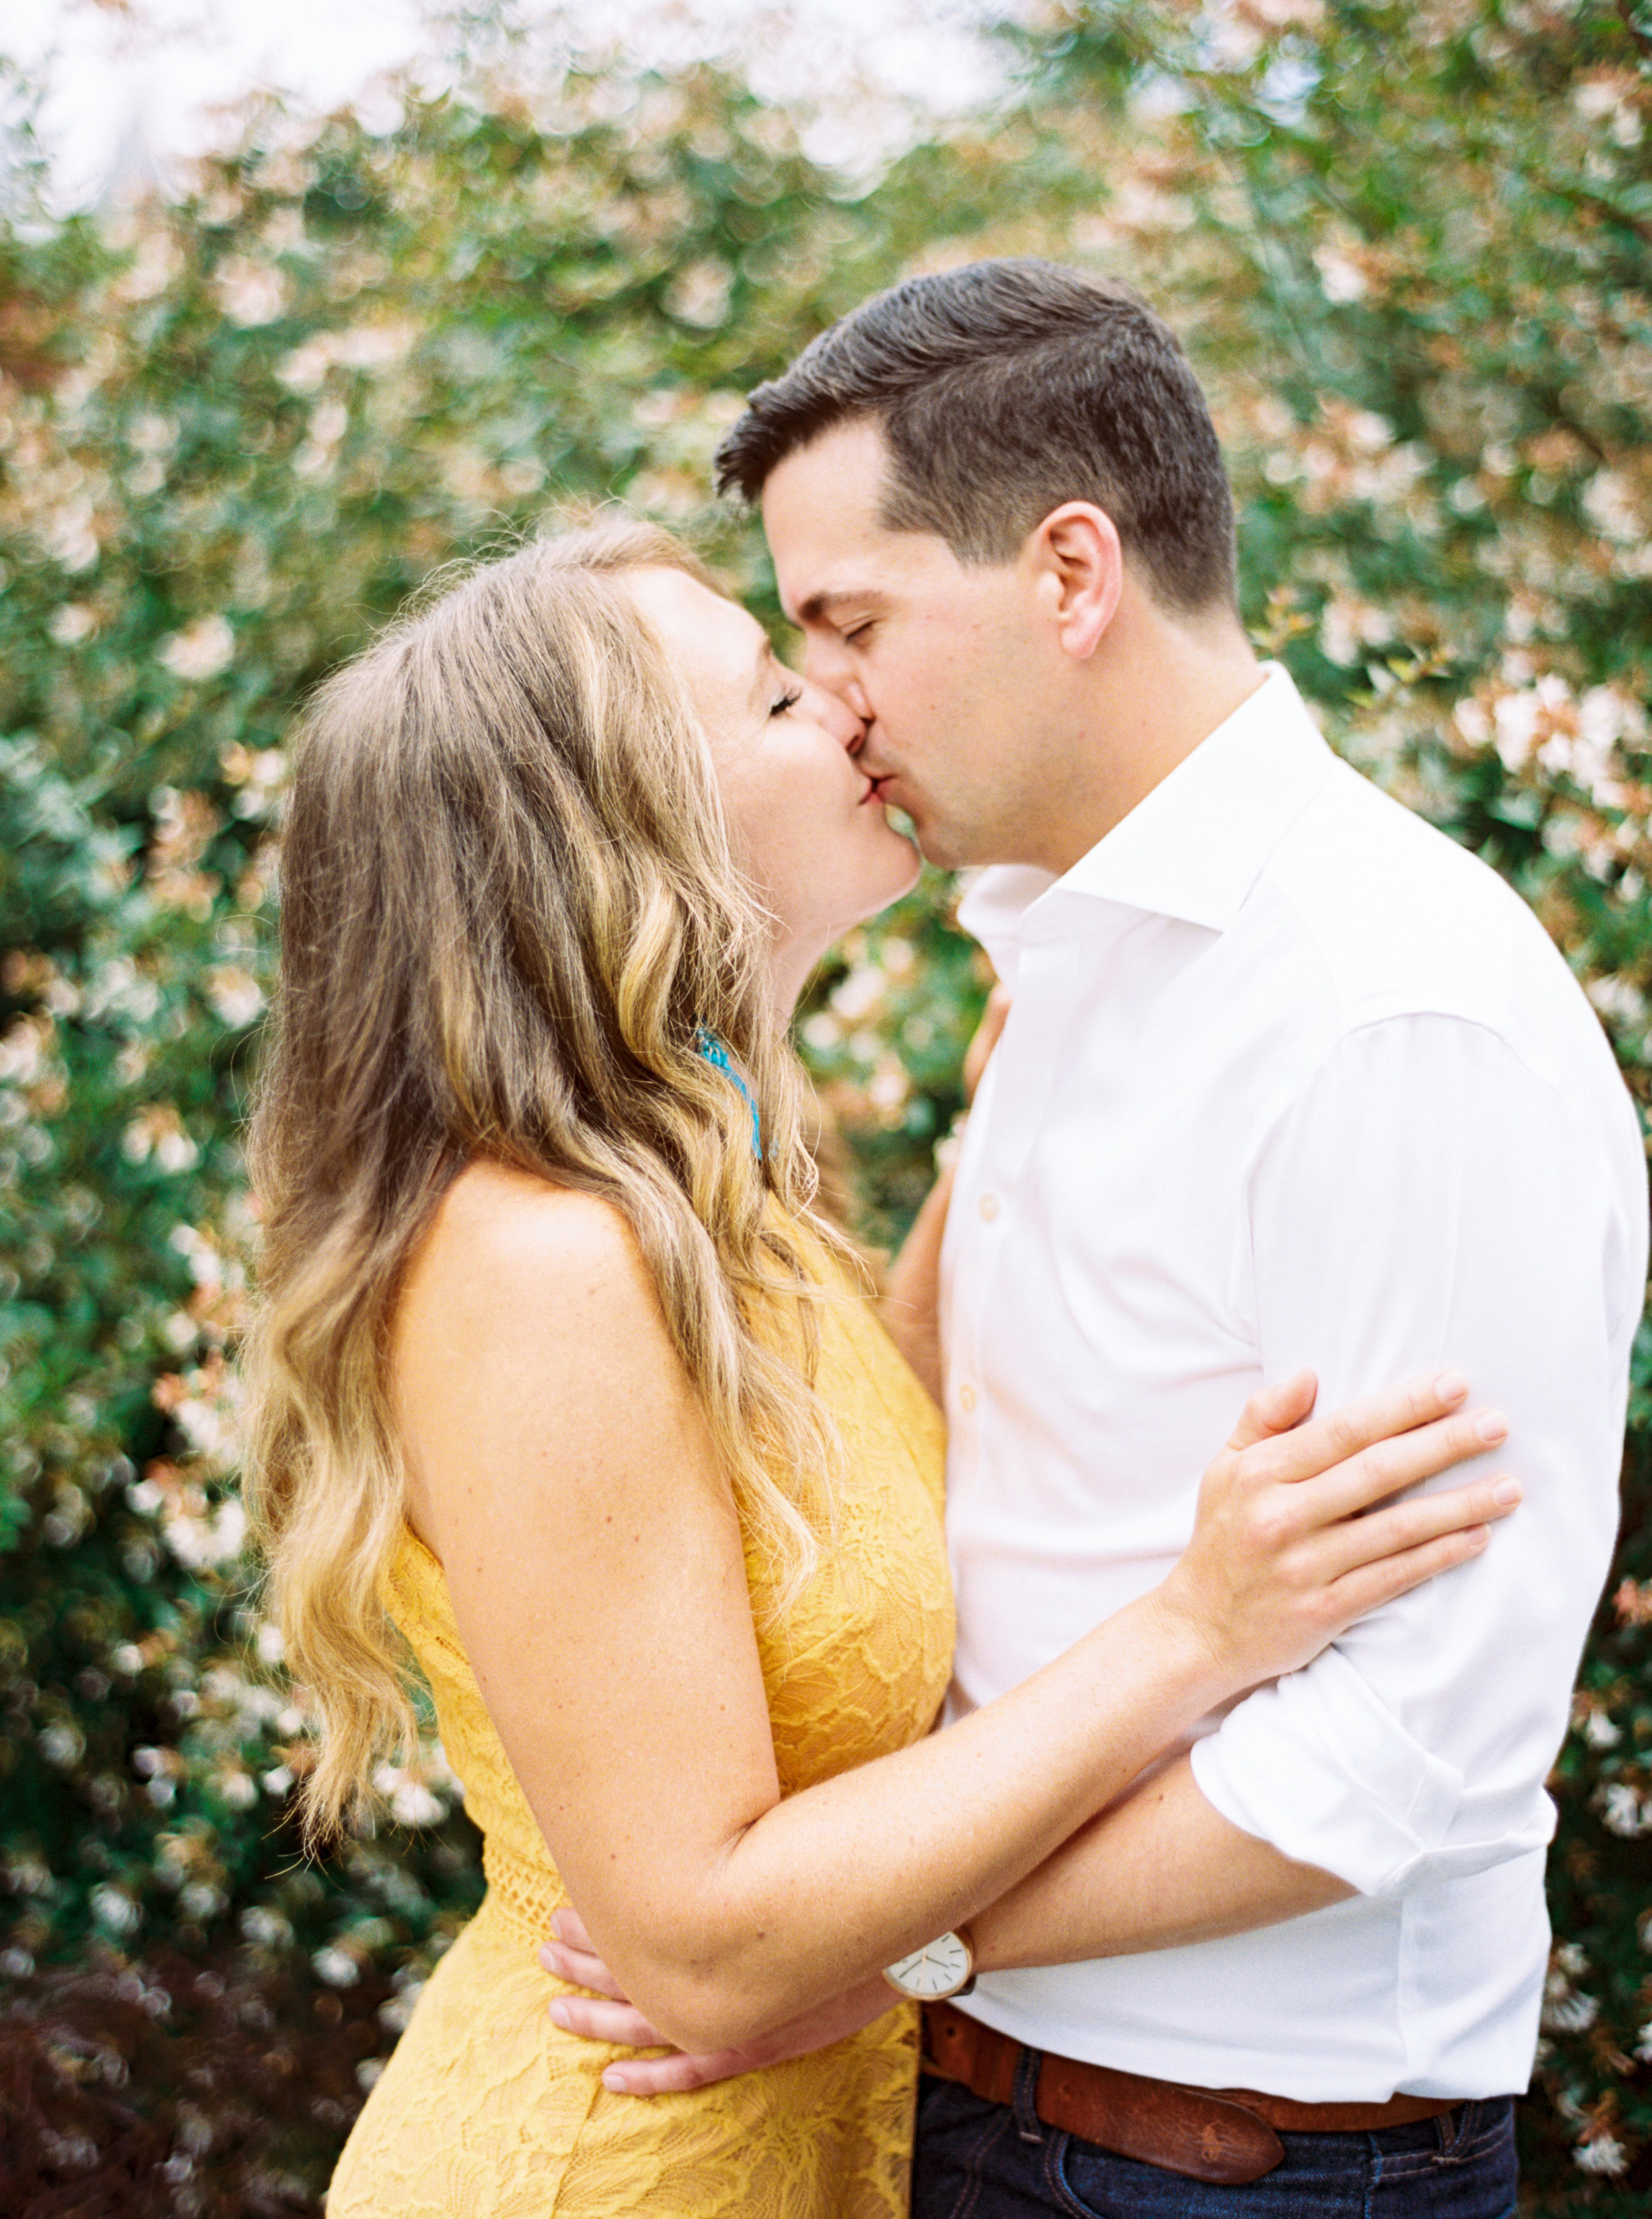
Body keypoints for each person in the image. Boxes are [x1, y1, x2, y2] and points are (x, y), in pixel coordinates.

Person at [241, 517, 1517, 2218]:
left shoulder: (712, 1190)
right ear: (623, 836)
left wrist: (1038, 1096)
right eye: (775, 698)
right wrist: (1194, 1630)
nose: (844, 709)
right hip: (607, 2163)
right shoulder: (542, 1259)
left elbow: (843, 1491)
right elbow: (694, 1944)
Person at [545, 262, 1648, 2216]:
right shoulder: (1060, 951)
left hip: (1243, 2170)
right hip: (987, 2107)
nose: (835, 704)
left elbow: (1391, 1755)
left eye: (852, 623)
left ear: (1069, 573)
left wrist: (877, 1947)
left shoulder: (1383, 1008)